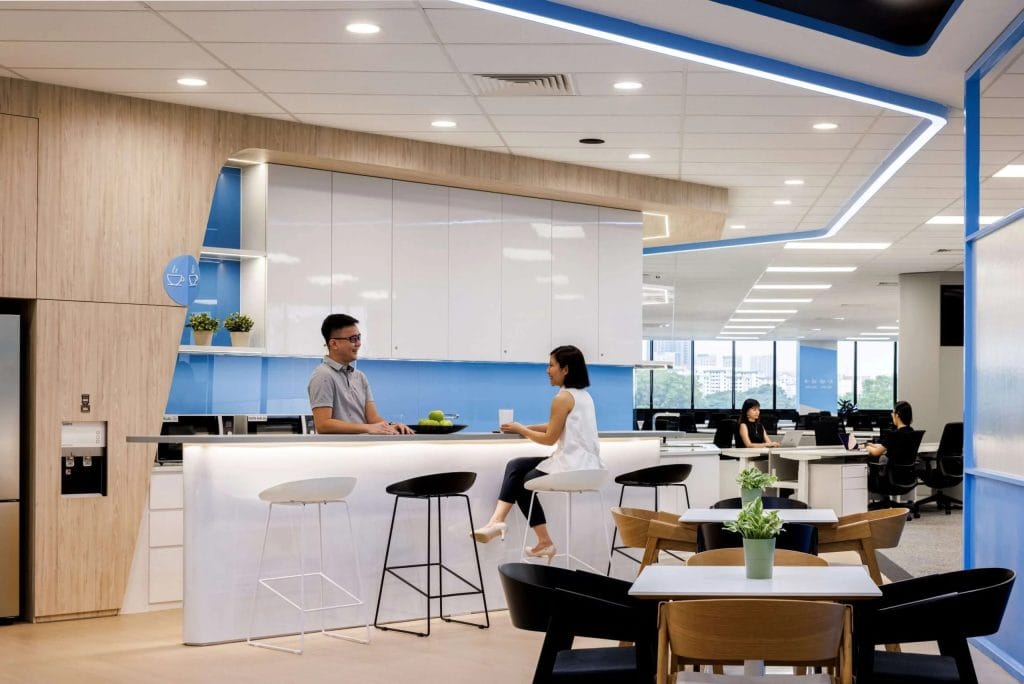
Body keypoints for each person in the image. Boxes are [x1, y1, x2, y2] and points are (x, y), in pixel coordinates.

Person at [472, 345, 603, 562]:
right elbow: (557, 425)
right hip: (587, 465)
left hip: (573, 465)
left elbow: (550, 438)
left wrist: (522, 430)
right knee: (517, 465)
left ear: (566, 369)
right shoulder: (583, 396)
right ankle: (501, 523)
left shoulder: (562, 398)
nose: (547, 370)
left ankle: (512, 529)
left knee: (525, 481)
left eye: (551, 365)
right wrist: (525, 426)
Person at [308, 313, 413, 435]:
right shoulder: (323, 375)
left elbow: (373, 419)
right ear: (334, 344)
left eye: (359, 337)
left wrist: (391, 426)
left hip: (362, 448)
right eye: (353, 339)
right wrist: (367, 428)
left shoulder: (360, 377)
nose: (358, 343)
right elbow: (323, 424)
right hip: (339, 451)